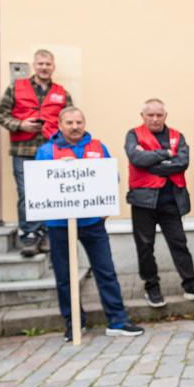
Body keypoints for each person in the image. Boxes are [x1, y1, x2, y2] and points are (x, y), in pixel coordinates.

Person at [35, 107, 144, 342]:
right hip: (59, 224)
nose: (75, 127)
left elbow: (111, 177)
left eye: (79, 122)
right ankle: (73, 323)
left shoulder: (97, 147)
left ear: (84, 123)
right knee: (64, 275)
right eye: (69, 123)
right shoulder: (46, 151)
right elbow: (38, 184)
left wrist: (105, 207)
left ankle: (117, 320)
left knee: (105, 270)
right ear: (60, 125)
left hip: (92, 221)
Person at [125, 99, 194, 308]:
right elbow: (136, 159)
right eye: (150, 115)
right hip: (143, 202)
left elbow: (182, 162)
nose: (155, 119)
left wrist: (151, 163)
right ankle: (152, 286)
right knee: (145, 247)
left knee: (179, 244)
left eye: (159, 115)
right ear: (142, 116)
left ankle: (191, 284)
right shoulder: (133, 135)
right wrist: (165, 155)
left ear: (165, 115)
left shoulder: (176, 135)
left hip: (171, 201)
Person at [0, 49, 73, 256]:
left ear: (53, 67)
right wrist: (20, 124)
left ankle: (46, 233)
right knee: (27, 193)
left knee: (51, 192)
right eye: (40, 64)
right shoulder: (16, 87)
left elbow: (70, 119)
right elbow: (0, 113)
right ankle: (30, 235)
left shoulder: (62, 93)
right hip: (24, 149)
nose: (44, 67)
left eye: (48, 64)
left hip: (51, 150)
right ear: (34, 65)